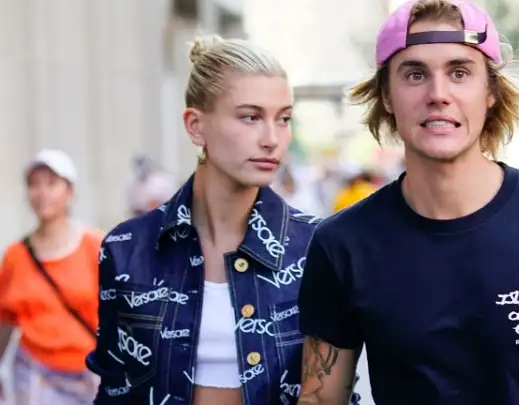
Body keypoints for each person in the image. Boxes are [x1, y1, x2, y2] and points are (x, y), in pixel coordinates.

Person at [296, 1, 519, 404]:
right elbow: (319, 399)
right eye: (415, 74)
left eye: (459, 73)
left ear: (490, 91)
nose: (438, 94)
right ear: (386, 95)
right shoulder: (343, 244)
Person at [86, 36, 348, 405]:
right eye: (250, 117)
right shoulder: (126, 249)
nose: (272, 139)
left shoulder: (318, 246)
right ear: (196, 125)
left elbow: (332, 395)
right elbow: (115, 390)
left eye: (284, 119)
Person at [0, 149, 103, 405]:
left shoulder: (96, 246)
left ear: (69, 191)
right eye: (34, 184)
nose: (42, 192)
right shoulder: (16, 255)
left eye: (51, 183)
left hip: (90, 370)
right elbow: (4, 320)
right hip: (34, 372)